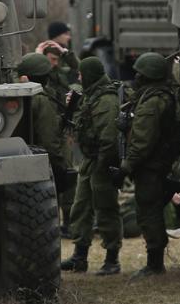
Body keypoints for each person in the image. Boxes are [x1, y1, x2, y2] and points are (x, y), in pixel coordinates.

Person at [116, 52, 178, 278]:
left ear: (148, 76)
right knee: (149, 210)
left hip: (151, 166)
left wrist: (126, 167)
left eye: (139, 73)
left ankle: (155, 264)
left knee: (148, 212)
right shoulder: (154, 96)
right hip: (155, 163)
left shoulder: (152, 102)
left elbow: (141, 140)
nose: (136, 77)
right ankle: (155, 262)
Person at [61, 57, 122, 275]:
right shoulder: (91, 95)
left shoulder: (106, 101)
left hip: (102, 163)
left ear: (89, 76)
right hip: (90, 161)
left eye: (81, 75)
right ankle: (79, 257)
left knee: (106, 210)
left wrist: (104, 167)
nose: (79, 78)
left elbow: (110, 139)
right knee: (81, 208)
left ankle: (112, 259)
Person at [15, 53, 73, 209]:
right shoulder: (40, 100)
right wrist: (60, 167)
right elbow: (49, 141)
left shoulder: (12, 95)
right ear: (45, 77)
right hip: (39, 167)